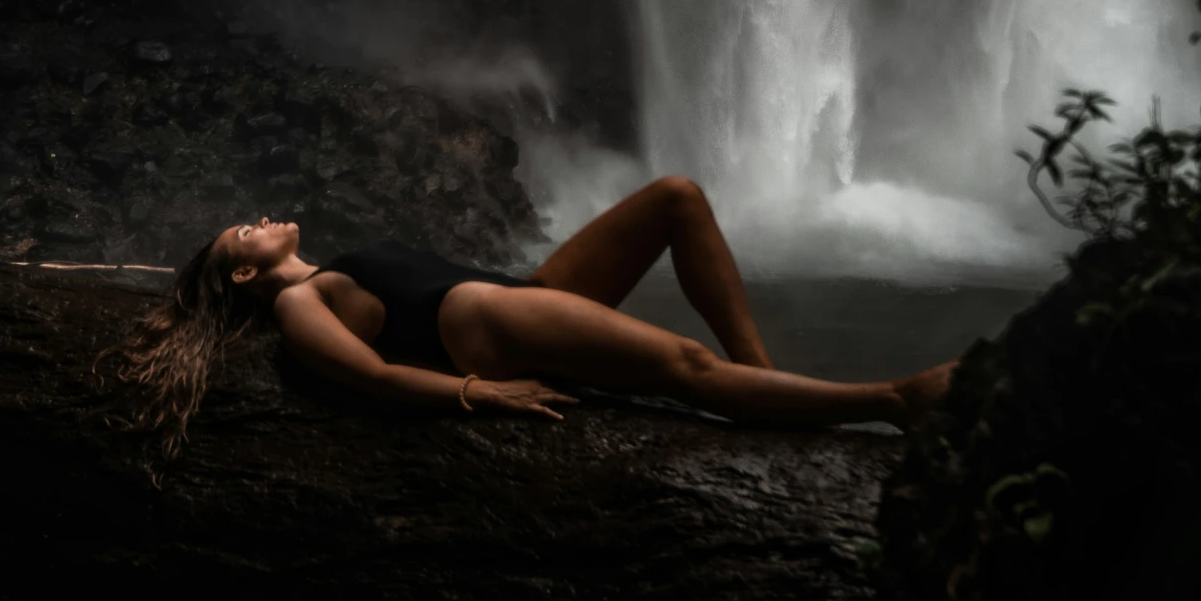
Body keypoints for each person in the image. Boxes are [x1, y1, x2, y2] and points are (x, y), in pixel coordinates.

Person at [115, 175, 956, 452]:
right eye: (244, 233)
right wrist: (475, 393)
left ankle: (762, 378)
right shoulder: (299, 302)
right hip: (493, 325)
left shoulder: (322, 274)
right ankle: (889, 401)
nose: (260, 222)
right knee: (687, 372)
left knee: (676, 198)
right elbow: (367, 376)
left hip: (516, 292)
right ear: (238, 276)